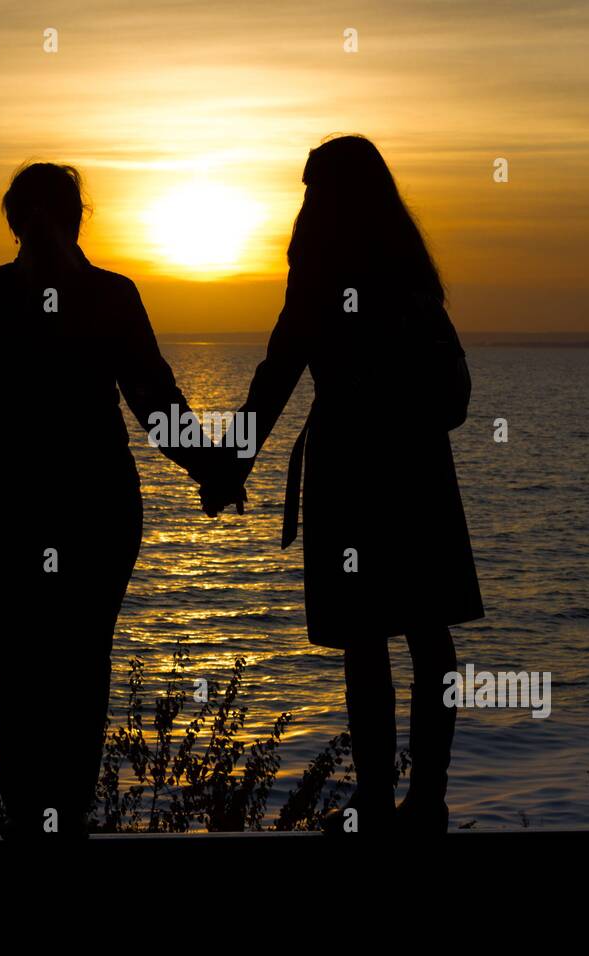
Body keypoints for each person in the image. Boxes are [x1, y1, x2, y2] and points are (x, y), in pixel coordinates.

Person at [0, 162, 225, 838]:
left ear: (11, 219)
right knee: (81, 665)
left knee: (15, 670)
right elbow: (156, 404)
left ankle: (30, 822)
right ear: (79, 218)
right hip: (94, 510)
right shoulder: (109, 295)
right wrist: (212, 469)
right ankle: (67, 821)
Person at [207, 135, 484, 833]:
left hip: (355, 470)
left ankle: (379, 799)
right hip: (415, 468)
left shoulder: (323, 276)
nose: (304, 203)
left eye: (313, 188)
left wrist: (231, 467)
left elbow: (276, 377)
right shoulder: (408, 272)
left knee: (371, 641)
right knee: (424, 636)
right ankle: (424, 800)